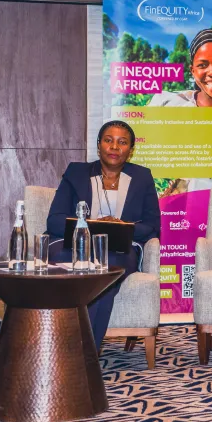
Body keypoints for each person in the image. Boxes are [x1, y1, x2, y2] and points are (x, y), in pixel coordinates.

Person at [46, 120, 160, 350]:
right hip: (73, 245)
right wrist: (91, 225)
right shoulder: (76, 173)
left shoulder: (142, 177)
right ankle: (78, 350)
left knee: (105, 273)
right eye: (108, 140)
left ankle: (80, 352)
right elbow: (54, 220)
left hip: (119, 248)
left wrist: (121, 225)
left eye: (122, 142)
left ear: (131, 149)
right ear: (99, 146)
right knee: (92, 279)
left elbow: (152, 225)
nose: (115, 147)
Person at [148, 28, 212, 191]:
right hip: (168, 209)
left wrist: (201, 161)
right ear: (193, 71)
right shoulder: (166, 103)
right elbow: (142, 157)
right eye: (203, 65)